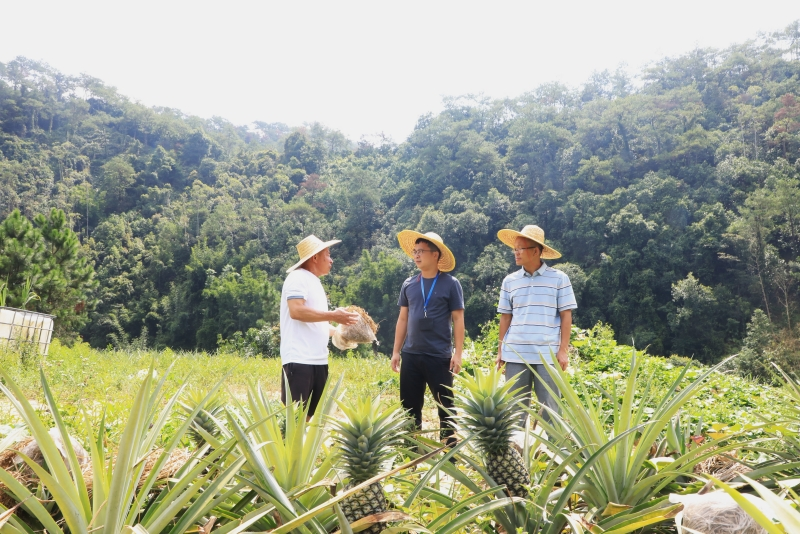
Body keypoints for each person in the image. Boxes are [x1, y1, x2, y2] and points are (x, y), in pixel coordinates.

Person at [495, 225, 577, 425]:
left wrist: (563, 350)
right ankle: (517, 454)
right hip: (515, 353)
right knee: (515, 410)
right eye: (514, 248)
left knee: (551, 409)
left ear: (536, 250)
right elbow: (505, 318)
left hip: (547, 355)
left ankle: (553, 454)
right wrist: (500, 351)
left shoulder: (559, 279)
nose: (516, 252)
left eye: (520, 248)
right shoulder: (509, 281)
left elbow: (566, 316)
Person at [391, 231, 464, 444]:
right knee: (410, 406)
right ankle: (412, 451)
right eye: (414, 252)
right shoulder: (409, 284)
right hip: (411, 354)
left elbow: (458, 319)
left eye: (421, 251)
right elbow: (402, 319)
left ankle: (449, 451)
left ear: (436, 255)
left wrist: (457, 354)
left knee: (445, 405)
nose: (416, 256)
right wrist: (396, 351)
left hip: (439, 355)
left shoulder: (451, 284)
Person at [280, 234, 359, 417]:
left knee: (309, 417)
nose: (331, 260)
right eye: (328, 254)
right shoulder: (297, 277)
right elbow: (296, 311)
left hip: (318, 360)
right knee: (294, 420)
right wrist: (334, 316)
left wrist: (340, 332)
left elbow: (316, 324)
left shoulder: (314, 281)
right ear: (315, 257)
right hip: (300, 360)